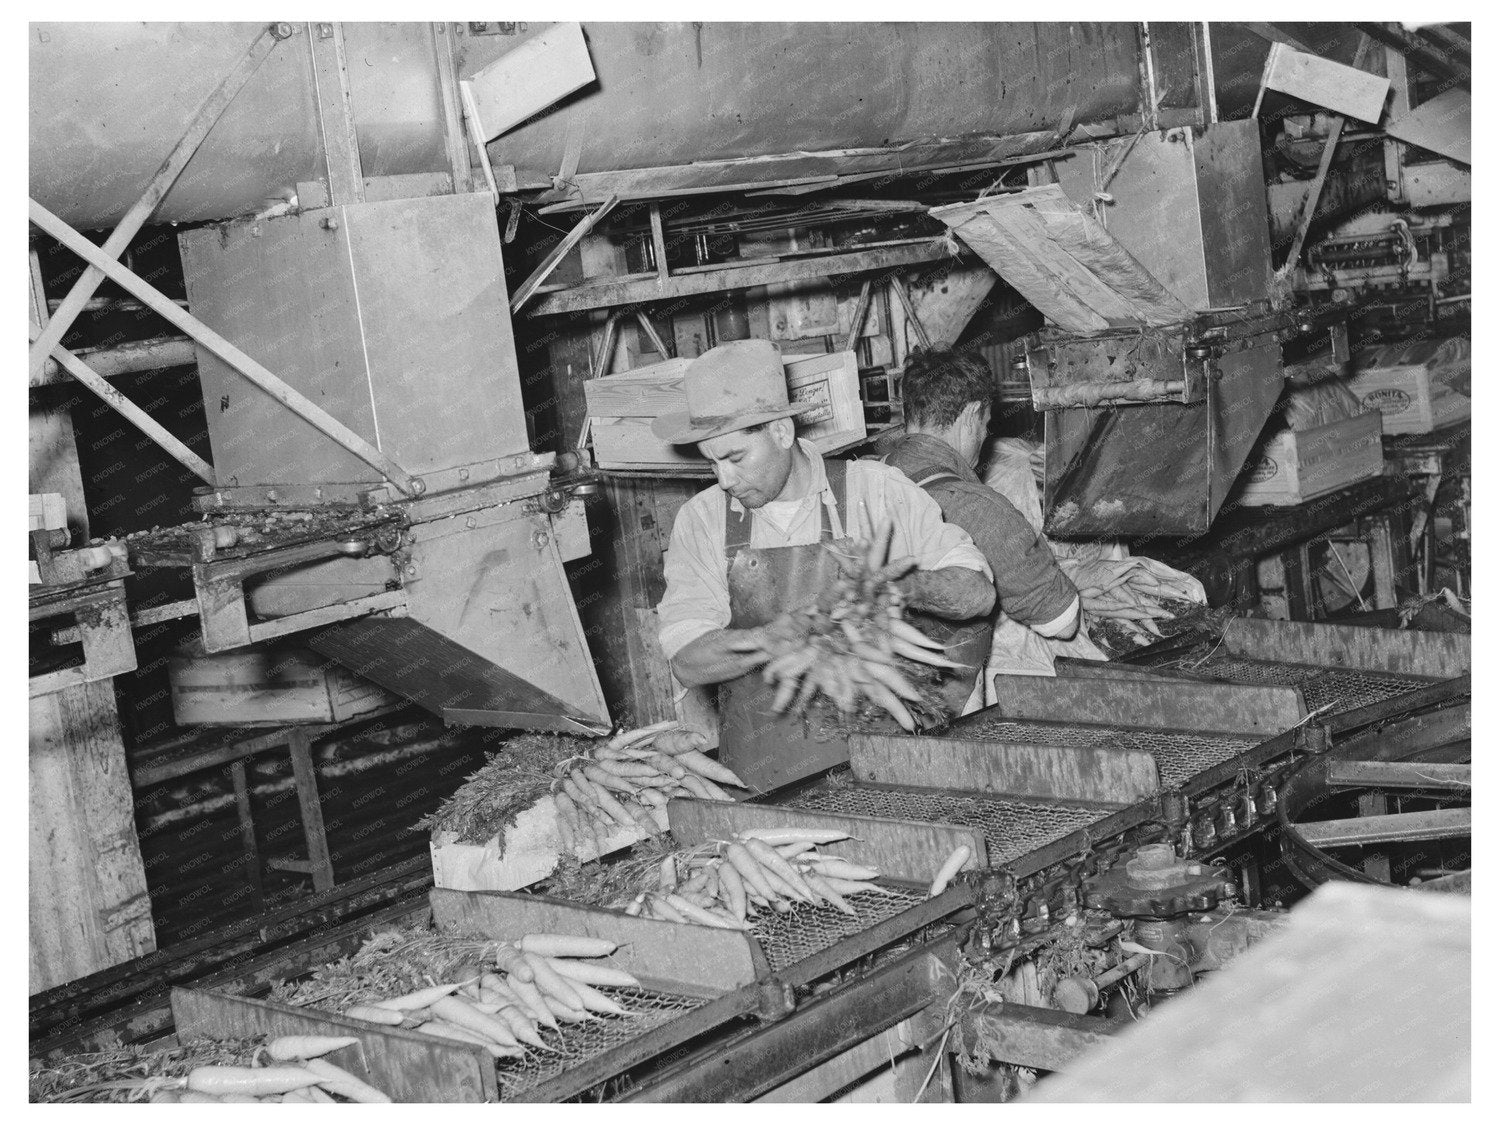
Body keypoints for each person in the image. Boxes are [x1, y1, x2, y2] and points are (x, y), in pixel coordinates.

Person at [654, 339, 996, 791]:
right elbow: (687, 661)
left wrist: (899, 587)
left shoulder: (876, 491)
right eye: (712, 463)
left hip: (890, 774)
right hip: (762, 784)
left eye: (735, 458)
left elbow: (978, 593)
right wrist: (767, 640)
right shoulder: (702, 521)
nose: (724, 479)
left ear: (781, 432)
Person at [876, 348, 1081, 707]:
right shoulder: (980, 510)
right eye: (986, 424)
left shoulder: (869, 476)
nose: (985, 437)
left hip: (873, 691)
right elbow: (1062, 623)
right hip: (946, 707)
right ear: (971, 415)